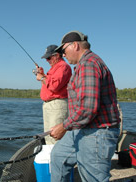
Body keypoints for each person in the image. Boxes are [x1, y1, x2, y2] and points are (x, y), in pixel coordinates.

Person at [50, 31, 121, 182]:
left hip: (97, 131)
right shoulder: (84, 64)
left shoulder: (88, 64)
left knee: (93, 177)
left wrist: (63, 126)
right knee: (58, 155)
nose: (63, 55)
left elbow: (88, 108)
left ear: (74, 45)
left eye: (63, 51)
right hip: (82, 128)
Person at [35, 45, 72, 144]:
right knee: (49, 136)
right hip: (50, 105)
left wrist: (42, 78)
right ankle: (51, 157)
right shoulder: (55, 68)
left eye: (48, 57)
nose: (47, 60)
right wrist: (43, 75)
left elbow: (54, 86)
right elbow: (51, 83)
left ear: (57, 55)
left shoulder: (63, 67)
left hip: (57, 105)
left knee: (55, 137)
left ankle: (57, 158)